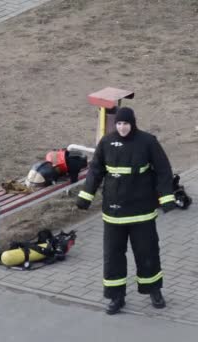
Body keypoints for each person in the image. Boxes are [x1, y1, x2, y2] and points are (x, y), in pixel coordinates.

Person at [76, 107, 177, 315]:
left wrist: (167, 198)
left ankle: (154, 290)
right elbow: (96, 170)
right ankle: (116, 296)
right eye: (119, 124)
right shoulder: (106, 142)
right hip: (113, 212)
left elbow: (164, 170)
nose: (122, 128)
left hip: (142, 211)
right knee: (113, 256)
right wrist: (85, 197)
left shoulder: (148, 141)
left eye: (126, 124)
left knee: (147, 252)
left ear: (133, 123)